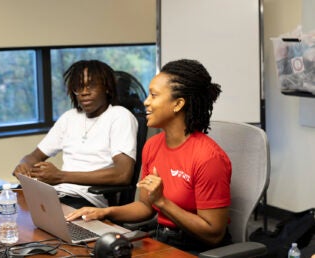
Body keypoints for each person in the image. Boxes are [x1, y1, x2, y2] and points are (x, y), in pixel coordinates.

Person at [66, 59, 232, 253]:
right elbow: (145, 206)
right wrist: (104, 212)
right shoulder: (153, 145)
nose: (146, 101)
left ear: (178, 104)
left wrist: (162, 201)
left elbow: (213, 234)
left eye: (154, 95)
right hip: (161, 238)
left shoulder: (208, 158)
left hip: (196, 248)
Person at [12, 60, 138, 209]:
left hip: (87, 200)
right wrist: (24, 165)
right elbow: (33, 156)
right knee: (10, 210)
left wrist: (61, 176)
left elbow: (122, 174)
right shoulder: (69, 117)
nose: (84, 92)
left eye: (91, 86)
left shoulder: (120, 116)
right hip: (57, 194)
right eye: (79, 87)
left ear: (107, 88)